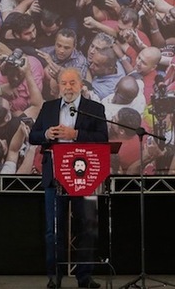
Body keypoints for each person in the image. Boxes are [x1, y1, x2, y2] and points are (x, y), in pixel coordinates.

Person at [29, 67, 109, 289]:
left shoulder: (95, 108)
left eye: (72, 82)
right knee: (53, 229)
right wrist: (46, 134)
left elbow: (103, 138)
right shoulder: (49, 108)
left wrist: (75, 135)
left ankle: (85, 277)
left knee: (88, 227)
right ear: (58, 86)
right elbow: (33, 136)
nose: (68, 87)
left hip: (85, 176)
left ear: (81, 84)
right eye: (64, 83)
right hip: (55, 176)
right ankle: (55, 276)